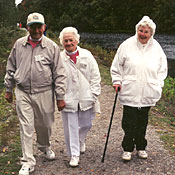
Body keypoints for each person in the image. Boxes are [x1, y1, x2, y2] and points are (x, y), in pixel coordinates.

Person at [4, 12, 67, 175]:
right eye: (33, 27)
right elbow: (11, 67)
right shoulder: (19, 44)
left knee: (45, 125)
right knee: (26, 127)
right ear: (27, 28)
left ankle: (44, 147)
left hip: (44, 92)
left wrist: (60, 96)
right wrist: (8, 89)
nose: (36, 30)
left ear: (44, 27)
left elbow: (59, 73)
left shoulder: (51, 47)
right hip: (23, 92)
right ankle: (27, 161)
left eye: (39, 26)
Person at [110, 16, 167, 161]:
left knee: (142, 121)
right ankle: (127, 148)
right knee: (128, 122)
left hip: (148, 91)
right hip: (130, 90)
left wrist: (158, 85)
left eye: (146, 32)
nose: (143, 34)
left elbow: (162, 70)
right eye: (141, 30)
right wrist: (117, 81)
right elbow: (117, 66)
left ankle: (141, 146)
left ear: (151, 33)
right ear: (137, 30)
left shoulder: (157, 49)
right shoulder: (127, 45)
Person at [59, 27, 101, 167]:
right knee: (70, 128)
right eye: (66, 41)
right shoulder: (59, 58)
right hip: (68, 98)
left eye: (71, 40)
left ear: (77, 40)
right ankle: (73, 155)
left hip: (86, 97)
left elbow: (96, 76)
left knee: (86, 124)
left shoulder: (87, 55)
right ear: (62, 42)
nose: (69, 43)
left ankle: (81, 139)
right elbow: (56, 79)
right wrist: (60, 97)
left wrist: (94, 94)